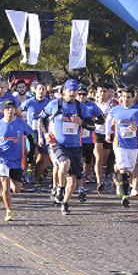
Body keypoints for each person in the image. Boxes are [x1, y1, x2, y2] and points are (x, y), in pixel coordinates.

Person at [38, 79, 95, 215]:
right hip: (58, 144)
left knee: (73, 179)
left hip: (75, 146)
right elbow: (41, 119)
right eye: (70, 90)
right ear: (64, 91)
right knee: (64, 164)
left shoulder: (82, 107)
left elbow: (92, 126)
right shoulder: (55, 104)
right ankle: (59, 189)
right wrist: (45, 134)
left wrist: (82, 122)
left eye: (75, 90)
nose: (73, 93)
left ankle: (65, 202)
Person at [0, 99, 35, 221]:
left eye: (12, 108)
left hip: (17, 161)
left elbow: (31, 137)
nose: (10, 110)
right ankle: (8, 211)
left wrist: (32, 152)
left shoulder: (21, 123)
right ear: (3, 110)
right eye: (7, 108)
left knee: (17, 190)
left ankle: (11, 182)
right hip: (3, 159)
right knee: (6, 186)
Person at [106, 87, 138, 208]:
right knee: (123, 168)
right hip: (119, 144)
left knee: (130, 171)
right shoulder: (116, 109)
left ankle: (119, 181)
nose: (125, 99)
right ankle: (125, 196)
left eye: (128, 97)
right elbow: (109, 120)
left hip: (133, 145)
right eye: (123, 97)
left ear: (133, 97)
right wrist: (107, 133)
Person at [20, 81, 52, 192]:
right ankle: (29, 169)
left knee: (41, 159)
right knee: (32, 155)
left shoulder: (49, 103)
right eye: (40, 89)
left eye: (44, 89)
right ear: (35, 90)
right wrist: (22, 125)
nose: (42, 91)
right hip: (31, 133)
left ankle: (37, 182)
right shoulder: (29, 102)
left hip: (45, 134)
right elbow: (18, 111)